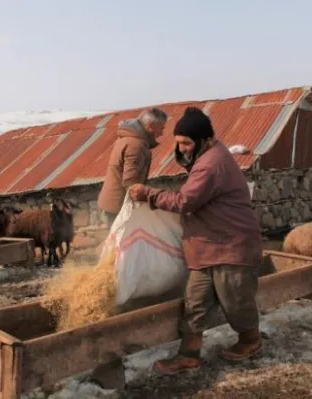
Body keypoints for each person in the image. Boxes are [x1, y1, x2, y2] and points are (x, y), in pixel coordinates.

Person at [128, 106, 264, 375]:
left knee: (236, 300)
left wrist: (148, 194)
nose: (182, 149)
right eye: (178, 143)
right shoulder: (207, 156)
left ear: (204, 140)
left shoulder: (212, 163)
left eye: (187, 143)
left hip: (230, 245)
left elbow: (185, 201)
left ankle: (251, 340)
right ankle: (188, 354)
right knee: (195, 302)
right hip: (207, 246)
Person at [97, 107, 168, 228]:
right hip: (120, 206)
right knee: (122, 244)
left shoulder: (128, 140)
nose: (162, 133)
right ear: (151, 126)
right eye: (161, 128)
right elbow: (131, 181)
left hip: (113, 203)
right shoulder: (136, 145)